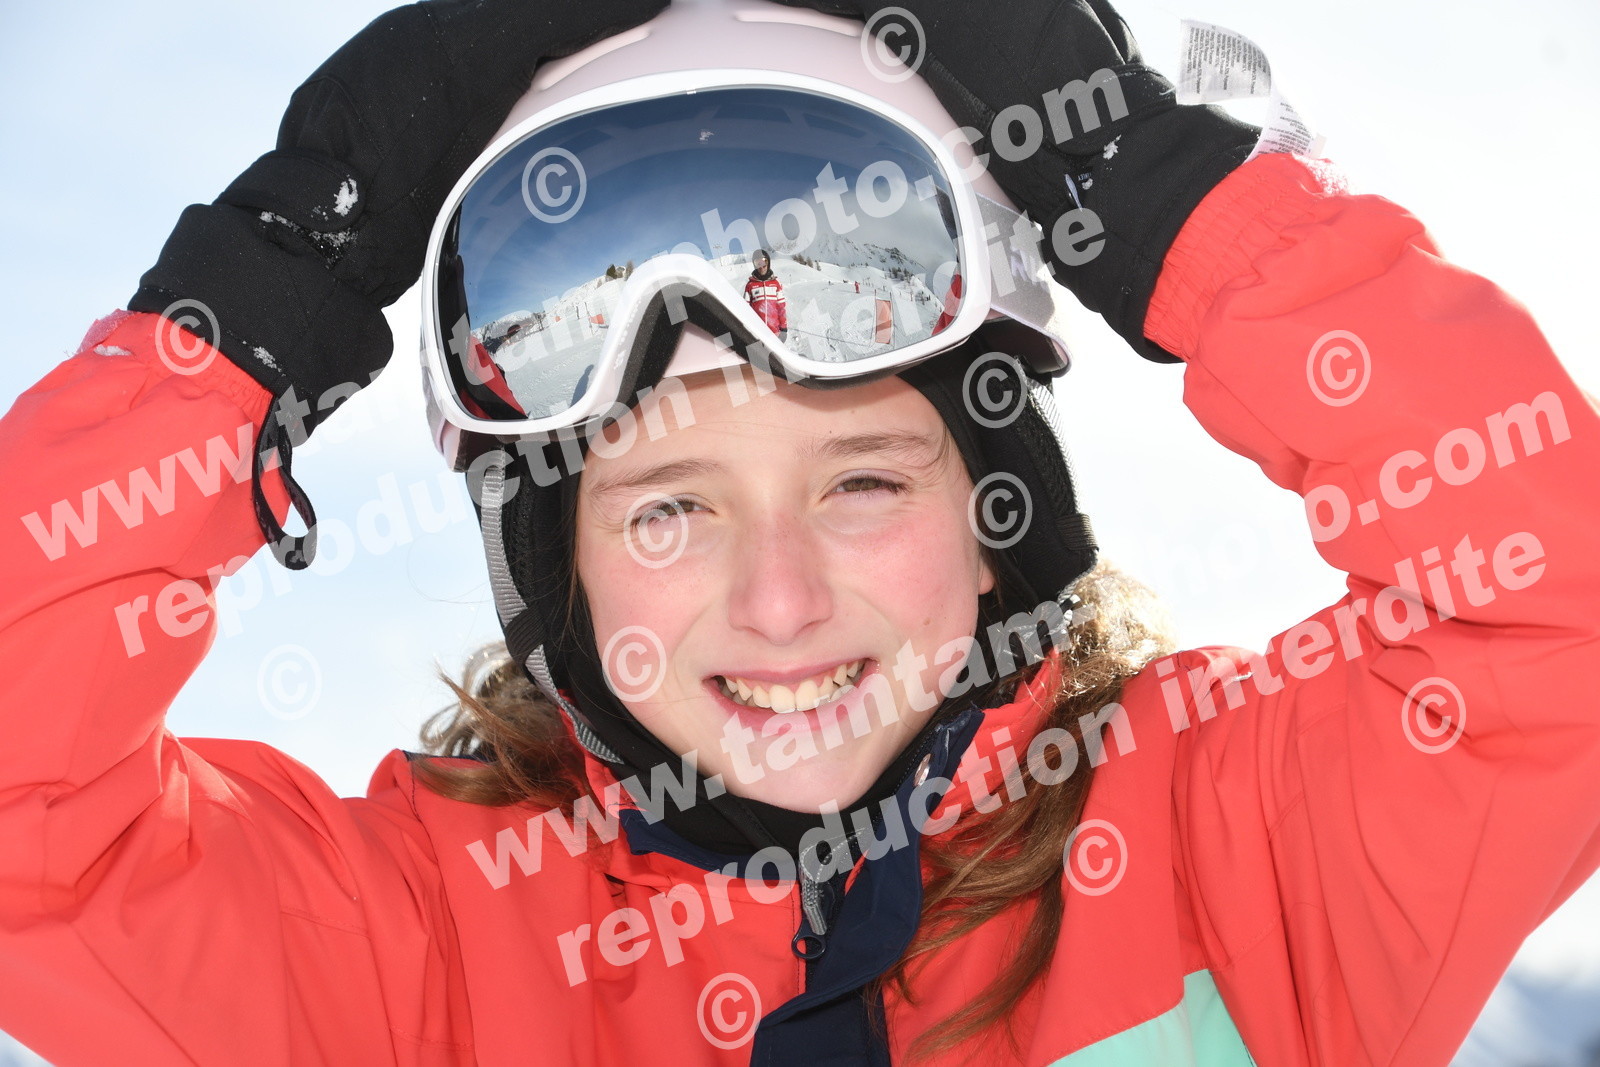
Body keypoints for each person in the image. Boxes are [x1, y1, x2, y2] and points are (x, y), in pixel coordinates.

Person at [0, 2, 1596, 1067]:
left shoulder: (1238, 852)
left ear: (1000, 512)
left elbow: (1556, 603)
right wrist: (263, 291)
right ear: (557, 569)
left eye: (863, 483)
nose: (777, 601)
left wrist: (1156, 188)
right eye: (670, 507)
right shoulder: (417, 949)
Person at [743, 248, 789, 344]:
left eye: (764, 262)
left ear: (768, 263)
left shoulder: (775, 283)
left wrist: (783, 328)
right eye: (758, 263)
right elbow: (745, 309)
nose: (762, 267)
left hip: (775, 332)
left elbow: (781, 307)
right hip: (757, 333)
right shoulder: (750, 285)